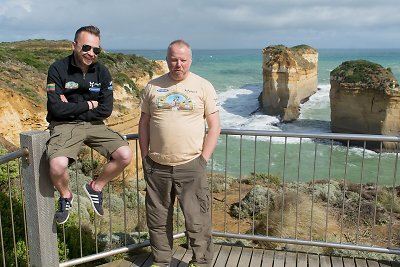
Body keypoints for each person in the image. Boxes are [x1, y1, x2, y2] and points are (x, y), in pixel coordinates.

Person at [139, 40, 221, 267]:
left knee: (197, 219)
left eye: (183, 60)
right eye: (174, 59)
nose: (178, 64)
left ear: (190, 60)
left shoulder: (203, 86)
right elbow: (143, 123)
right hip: (157, 165)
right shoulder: (152, 87)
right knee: (157, 219)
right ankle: (161, 261)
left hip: (191, 164)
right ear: (167, 60)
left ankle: (201, 261)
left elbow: (215, 126)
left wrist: (203, 159)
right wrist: (145, 157)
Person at [46, 25, 133, 225]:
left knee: (125, 155)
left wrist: (73, 105)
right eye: (86, 48)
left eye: (96, 50)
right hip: (65, 125)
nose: (91, 53)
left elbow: (106, 109)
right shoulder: (58, 69)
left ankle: (95, 187)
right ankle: (66, 196)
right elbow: (57, 109)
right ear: (74, 45)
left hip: (95, 125)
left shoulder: (102, 72)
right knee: (57, 165)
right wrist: (88, 104)